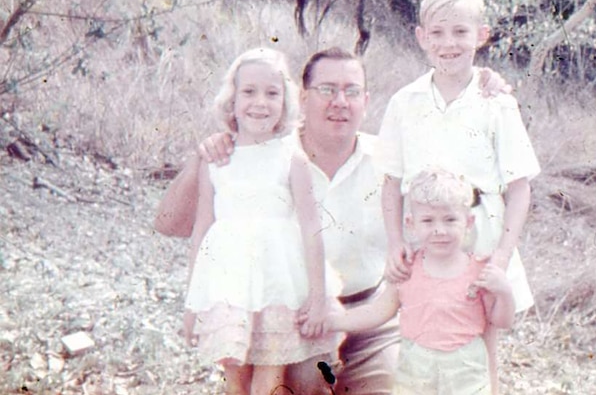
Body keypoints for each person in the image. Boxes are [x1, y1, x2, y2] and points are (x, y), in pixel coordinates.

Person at [155, 46, 511, 394]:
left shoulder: (391, 160)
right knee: (292, 384)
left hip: (375, 318)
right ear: (303, 98)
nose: (339, 101)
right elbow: (169, 223)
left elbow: (462, 193)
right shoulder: (260, 152)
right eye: (327, 90)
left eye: (351, 91)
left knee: (394, 385)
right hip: (300, 317)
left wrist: (480, 87)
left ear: (366, 102)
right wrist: (202, 157)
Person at [377, 0, 541, 395]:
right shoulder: (404, 102)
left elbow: (519, 188)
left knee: (480, 344)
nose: (448, 44)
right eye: (437, 33)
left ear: (481, 35)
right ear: (420, 37)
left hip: (479, 231)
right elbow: (391, 182)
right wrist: (396, 240)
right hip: (425, 233)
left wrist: (500, 256)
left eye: (460, 32)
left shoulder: (497, 103)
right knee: (427, 333)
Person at [182, 47, 342, 395]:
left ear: (285, 102)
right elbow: (202, 230)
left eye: (272, 93)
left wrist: (317, 298)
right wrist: (193, 303)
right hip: (229, 283)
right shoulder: (217, 159)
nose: (260, 103)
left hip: (278, 284)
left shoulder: (290, 158)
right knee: (233, 374)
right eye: (249, 92)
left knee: (270, 375)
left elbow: (312, 231)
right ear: (232, 99)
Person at [315, 167, 515, 395]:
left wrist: (504, 292)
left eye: (450, 220)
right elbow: (379, 311)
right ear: (411, 223)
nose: (440, 230)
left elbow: (501, 321)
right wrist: (331, 322)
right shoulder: (407, 268)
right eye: (428, 221)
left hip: (465, 370)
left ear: (468, 222)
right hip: (416, 370)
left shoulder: (480, 271)